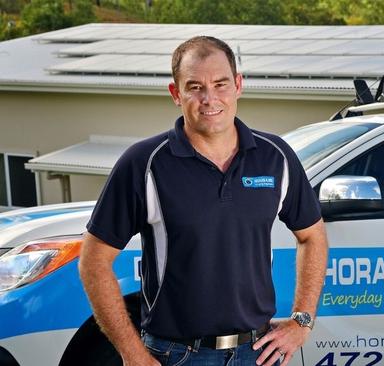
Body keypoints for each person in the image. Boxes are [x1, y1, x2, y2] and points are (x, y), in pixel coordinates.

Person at [78, 36, 328, 366]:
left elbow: (313, 237)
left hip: (256, 353)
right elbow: (93, 261)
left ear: (238, 85)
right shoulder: (145, 164)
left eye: (220, 84)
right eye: (195, 86)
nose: (209, 98)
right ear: (175, 93)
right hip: (175, 355)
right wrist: (132, 352)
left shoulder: (275, 157)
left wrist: (302, 321)